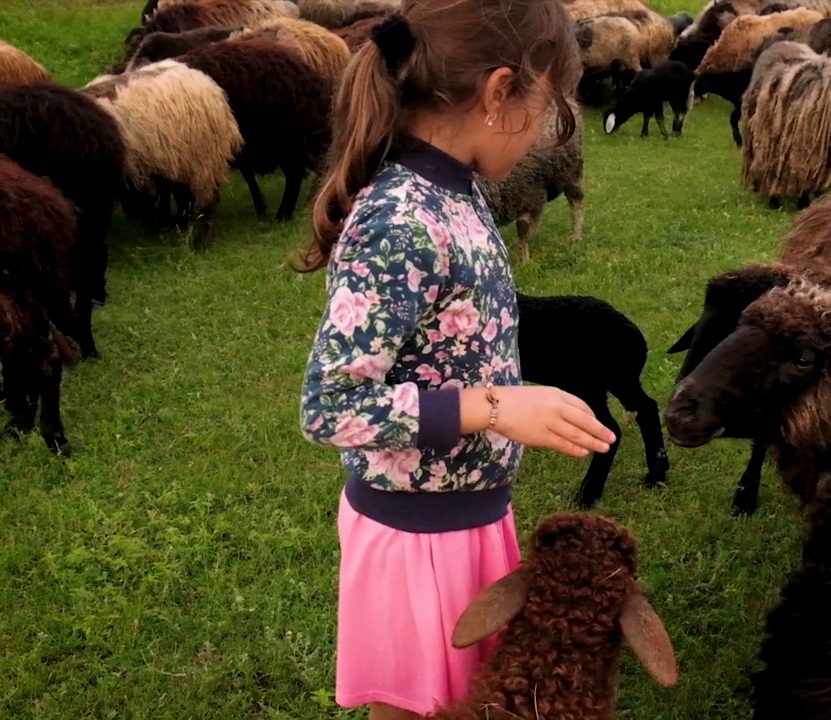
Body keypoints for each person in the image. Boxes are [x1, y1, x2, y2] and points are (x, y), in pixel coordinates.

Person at [295, 2, 616, 718]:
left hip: (467, 515)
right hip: (415, 536)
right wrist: (499, 406)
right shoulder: (401, 219)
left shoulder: (458, 189)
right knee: (419, 710)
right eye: (546, 110)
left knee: (474, 702)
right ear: (500, 92)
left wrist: (505, 398)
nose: (543, 135)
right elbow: (331, 406)